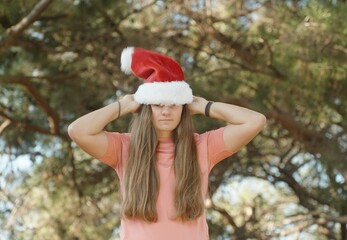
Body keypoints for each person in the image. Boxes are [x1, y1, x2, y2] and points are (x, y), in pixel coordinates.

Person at [67, 47, 266, 240]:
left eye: (174, 104)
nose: (166, 111)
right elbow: (78, 131)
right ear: (146, 108)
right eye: (158, 104)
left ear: (183, 108)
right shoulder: (124, 147)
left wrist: (205, 106)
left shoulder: (202, 147)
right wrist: (124, 105)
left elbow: (255, 121)